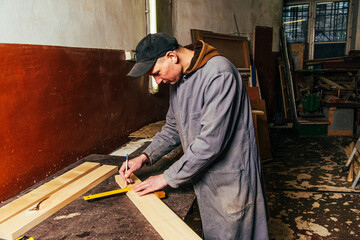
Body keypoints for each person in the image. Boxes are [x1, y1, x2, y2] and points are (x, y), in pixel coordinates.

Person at [119, 33, 269, 240]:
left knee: (234, 233)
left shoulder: (219, 74)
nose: (158, 81)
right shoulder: (179, 80)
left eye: (156, 73)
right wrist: (144, 157)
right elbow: (173, 127)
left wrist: (166, 177)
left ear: (172, 56)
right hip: (204, 177)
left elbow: (211, 143)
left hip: (231, 180)